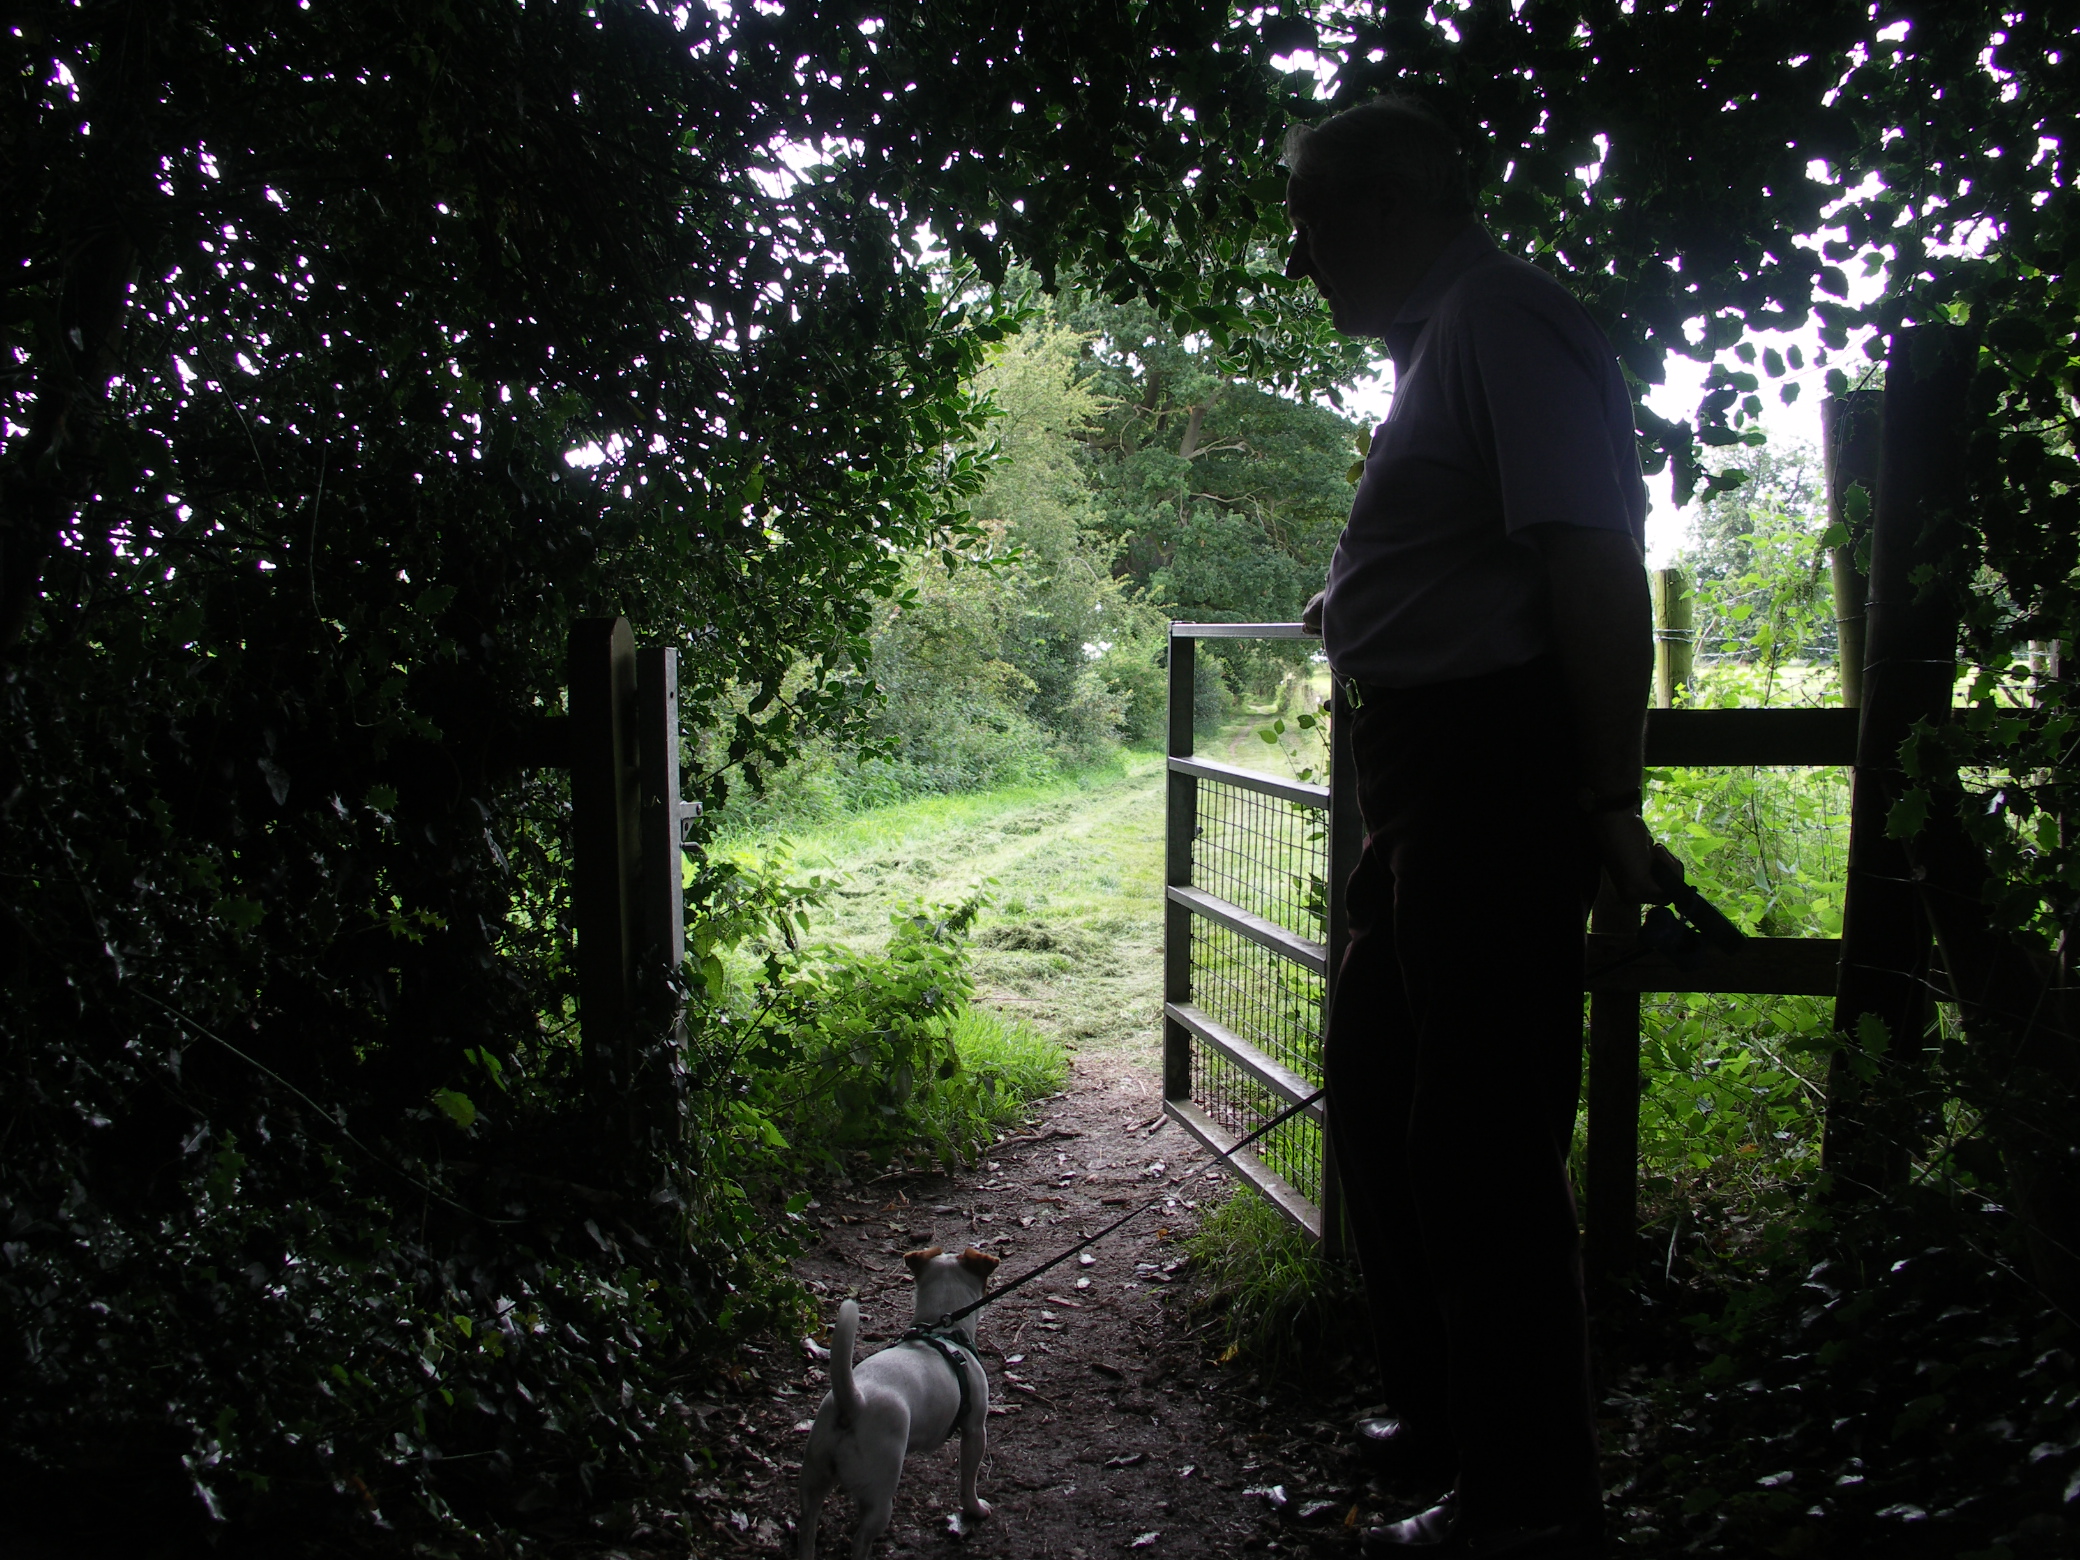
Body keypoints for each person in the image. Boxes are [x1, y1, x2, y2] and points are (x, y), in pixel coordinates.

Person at [1284, 97, 1664, 1560]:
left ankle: (1531, 1497)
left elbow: (1591, 563)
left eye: (1311, 221)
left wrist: (1612, 800)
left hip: (1495, 776)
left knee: (1481, 1137)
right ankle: (1441, 1420)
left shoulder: (1505, 320)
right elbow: (1469, 550)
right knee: (1381, 1089)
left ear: (1387, 209)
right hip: (1427, 775)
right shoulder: (1443, 343)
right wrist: (1362, 602)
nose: (1300, 261)